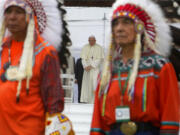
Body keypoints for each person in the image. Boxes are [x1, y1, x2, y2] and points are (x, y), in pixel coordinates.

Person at [90, 0, 180, 135]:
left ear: (140, 27)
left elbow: (170, 117)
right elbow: (98, 121)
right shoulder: (107, 72)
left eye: (126, 22)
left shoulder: (159, 67)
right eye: (115, 23)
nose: (119, 28)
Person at [0, 0, 74, 134]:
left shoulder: (45, 53)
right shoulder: (2, 49)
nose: (12, 17)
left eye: (19, 11)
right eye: (8, 11)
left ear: (31, 16)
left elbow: (54, 104)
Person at [80, 35, 104, 103]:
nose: (91, 42)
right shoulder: (85, 47)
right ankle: (87, 100)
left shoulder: (99, 48)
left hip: (95, 70)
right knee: (87, 86)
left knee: (94, 84)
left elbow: (99, 59)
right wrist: (85, 66)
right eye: (89, 40)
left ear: (95, 40)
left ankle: (95, 100)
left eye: (92, 40)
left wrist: (91, 66)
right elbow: (83, 59)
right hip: (87, 70)